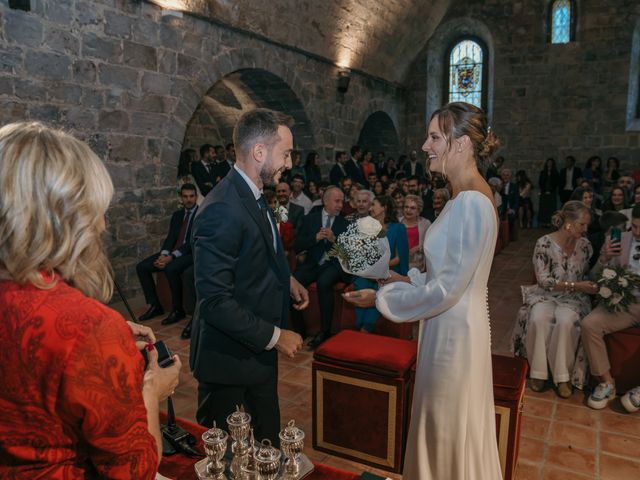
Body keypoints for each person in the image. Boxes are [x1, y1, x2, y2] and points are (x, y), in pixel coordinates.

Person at [0, 122, 180, 478]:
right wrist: (151, 390)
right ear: (67, 218)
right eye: (97, 209)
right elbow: (133, 470)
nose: (101, 225)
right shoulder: (89, 327)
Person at [343, 102, 502, 479]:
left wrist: (382, 300)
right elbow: (442, 278)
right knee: (444, 426)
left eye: (434, 137)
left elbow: (446, 289)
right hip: (449, 323)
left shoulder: (471, 203)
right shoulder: (464, 196)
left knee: (444, 428)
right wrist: (393, 280)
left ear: (461, 143)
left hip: (453, 332)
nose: (424, 146)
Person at [190, 109, 308, 445]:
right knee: (223, 456)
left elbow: (263, 252)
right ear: (259, 152)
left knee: (267, 442)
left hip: (257, 356)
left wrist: (286, 280)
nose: (288, 162)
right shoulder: (222, 208)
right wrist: (275, 336)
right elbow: (214, 302)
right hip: (228, 360)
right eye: (285, 153)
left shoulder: (254, 194)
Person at [512, 201, 598, 397]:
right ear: (568, 223)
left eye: (587, 225)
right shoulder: (544, 243)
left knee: (565, 321)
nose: (586, 229)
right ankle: (538, 373)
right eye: (582, 224)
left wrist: (604, 260)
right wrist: (577, 285)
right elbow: (543, 281)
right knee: (537, 318)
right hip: (547, 295)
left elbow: (589, 273)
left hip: (574, 299)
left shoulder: (585, 246)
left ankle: (563, 377)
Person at [582, 204, 640, 410]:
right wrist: (604, 258)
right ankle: (607, 382)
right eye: (634, 227)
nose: (638, 233)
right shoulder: (617, 240)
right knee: (589, 324)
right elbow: (593, 276)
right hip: (623, 303)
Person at [293, 186, 351, 347]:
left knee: (324, 282)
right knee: (293, 282)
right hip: (312, 264)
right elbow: (297, 245)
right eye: (337, 201)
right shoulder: (310, 219)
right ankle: (300, 331)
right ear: (325, 201)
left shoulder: (345, 223)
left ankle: (324, 332)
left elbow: (348, 253)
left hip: (333, 265)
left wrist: (334, 240)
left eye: (342, 201)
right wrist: (315, 238)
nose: (340, 205)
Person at [136, 183, 198, 324]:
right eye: (185, 196)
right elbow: (171, 237)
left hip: (191, 253)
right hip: (173, 252)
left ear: (196, 197)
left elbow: (192, 243)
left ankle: (178, 310)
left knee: (171, 268)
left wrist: (172, 256)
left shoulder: (201, 215)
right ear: (181, 198)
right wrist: (163, 255)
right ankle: (155, 305)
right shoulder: (177, 215)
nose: (188, 199)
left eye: (191, 196)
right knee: (142, 267)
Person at [353, 196, 409, 332]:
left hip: (389, 273)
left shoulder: (398, 228)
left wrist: (379, 268)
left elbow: (399, 258)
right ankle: (359, 326)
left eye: (373, 205)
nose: (370, 208)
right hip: (368, 273)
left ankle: (366, 327)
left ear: (384, 207)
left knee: (379, 291)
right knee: (361, 285)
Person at [402, 194, 431, 271]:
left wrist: (419, 247)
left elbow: (430, 243)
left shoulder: (425, 223)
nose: (408, 210)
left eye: (413, 208)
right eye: (406, 207)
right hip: (400, 263)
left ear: (419, 211)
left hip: (418, 264)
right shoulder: (397, 222)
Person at [538, 158, 560, 227]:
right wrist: (544, 190)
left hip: (552, 192)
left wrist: (551, 190)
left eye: (551, 162)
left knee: (551, 208)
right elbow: (541, 182)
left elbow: (556, 182)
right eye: (548, 162)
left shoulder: (555, 172)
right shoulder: (543, 172)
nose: (549, 164)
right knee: (544, 208)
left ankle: (550, 222)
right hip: (544, 192)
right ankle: (543, 222)